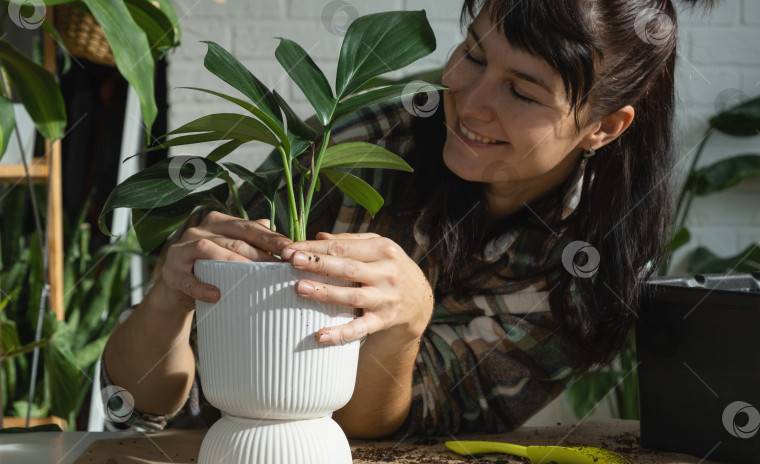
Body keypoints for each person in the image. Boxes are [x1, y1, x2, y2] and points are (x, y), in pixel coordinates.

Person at [102, 0, 718, 437]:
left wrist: (404, 323)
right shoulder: (363, 147)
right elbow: (138, 408)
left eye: (523, 92)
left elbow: (391, 434)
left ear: (605, 127)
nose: (471, 104)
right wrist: (167, 300)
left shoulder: (588, 269)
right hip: (200, 458)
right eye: (473, 57)